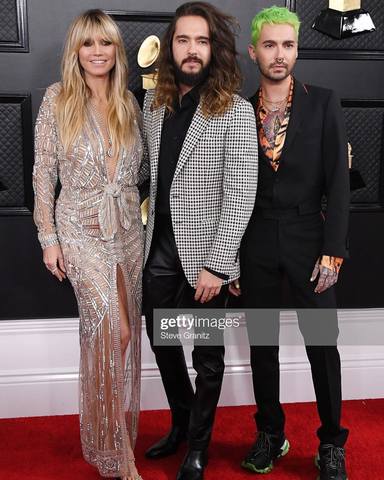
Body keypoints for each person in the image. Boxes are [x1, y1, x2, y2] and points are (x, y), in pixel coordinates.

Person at [139, 2, 258, 479]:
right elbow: (147, 173)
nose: (192, 50)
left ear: (215, 48)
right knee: (162, 340)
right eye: (184, 40)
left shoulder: (234, 110)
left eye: (202, 41)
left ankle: (199, 448)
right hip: (160, 253)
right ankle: (183, 423)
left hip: (207, 259)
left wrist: (218, 264)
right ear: (171, 47)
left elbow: (241, 192)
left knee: (206, 356)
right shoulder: (153, 105)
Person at [230, 6, 350, 480]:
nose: (280, 55)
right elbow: (229, 189)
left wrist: (334, 250)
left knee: (322, 344)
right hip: (255, 239)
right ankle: (270, 433)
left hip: (309, 238)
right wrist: (230, 257)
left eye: (289, 45)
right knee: (262, 344)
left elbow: (338, 184)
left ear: (297, 49)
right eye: (270, 45)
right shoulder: (237, 109)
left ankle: (331, 443)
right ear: (253, 50)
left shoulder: (323, 102)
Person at [33, 10, 144, 480]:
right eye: (88, 43)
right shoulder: (58, 100)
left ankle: (107, 431)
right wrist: (48, 238)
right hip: (78, 231)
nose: (98, 52)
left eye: (106, 43)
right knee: (108, 331)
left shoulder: (129, 103)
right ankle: (117, 453)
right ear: (75, 51)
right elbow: (43, 172)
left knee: (126, 334)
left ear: (116, 50)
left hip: (126, 233)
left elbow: (140, 174)